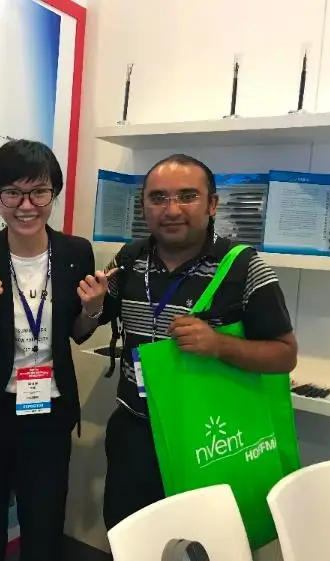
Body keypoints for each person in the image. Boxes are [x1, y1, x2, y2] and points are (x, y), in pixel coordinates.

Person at [95, 153, 298, 530]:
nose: (172, 210)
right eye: (158, 198)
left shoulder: (244, 267)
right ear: (144, 205)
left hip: (207, 437)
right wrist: (92, 305)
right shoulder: (128, 258)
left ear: (212, 204)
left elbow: (285, 355)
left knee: (207, 541)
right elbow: (93, 317)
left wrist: (219, 345)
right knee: (129, 537)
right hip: (135, 432)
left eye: (187, 196)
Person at [0, 139, 112, 561]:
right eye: (12, 193)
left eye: (39, 192)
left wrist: (93, 310)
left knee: (43, 530)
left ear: (53, 194)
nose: (26, 205)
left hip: (48, 414)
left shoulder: (75, 253)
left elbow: (77, 334)